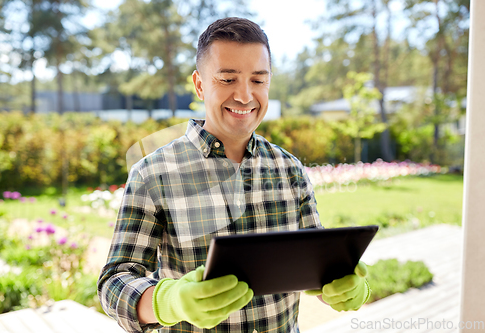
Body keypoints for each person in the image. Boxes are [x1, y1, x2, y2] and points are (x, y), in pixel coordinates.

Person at [97, 17, 370, 333]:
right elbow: (114, 282)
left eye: (258, 80)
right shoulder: (153, 173)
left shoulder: (290, 169)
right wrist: (169, 301)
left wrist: (341, 282)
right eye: (228, 80)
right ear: (200, 85)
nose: (244, 96)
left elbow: (316, 261)